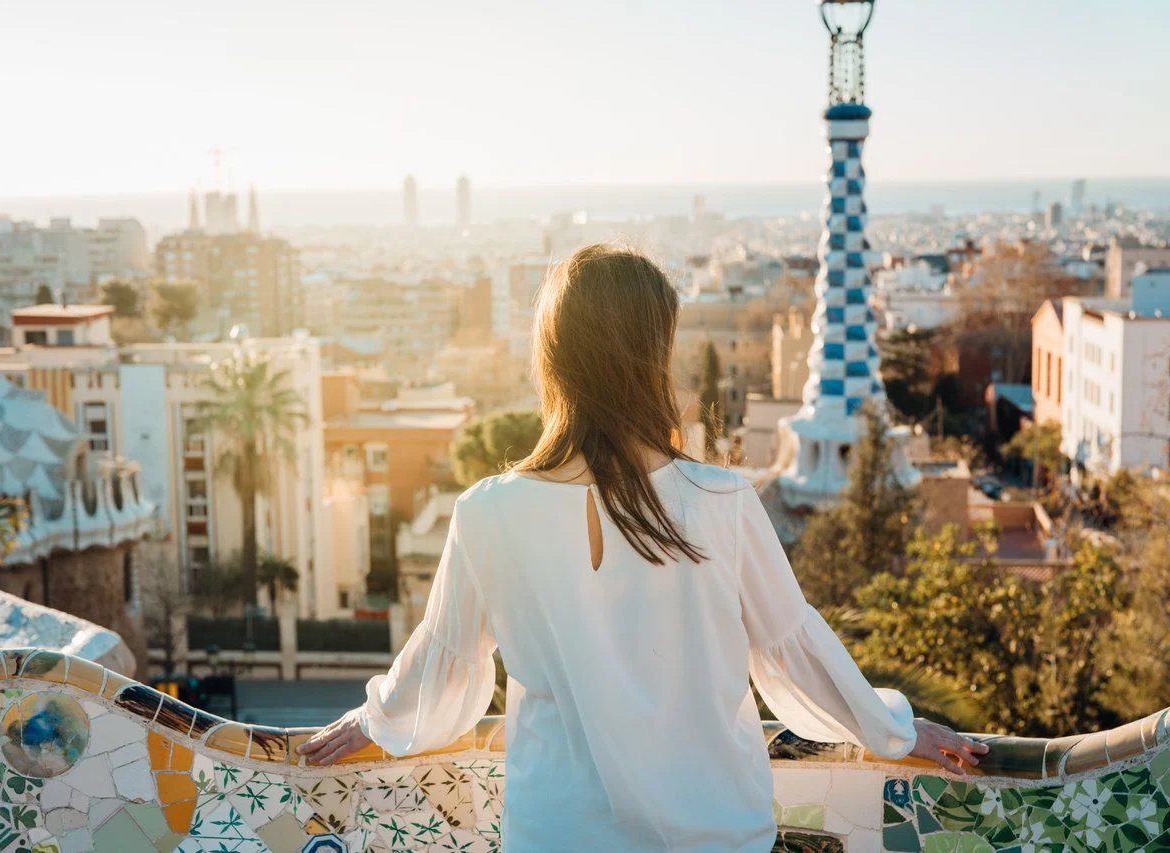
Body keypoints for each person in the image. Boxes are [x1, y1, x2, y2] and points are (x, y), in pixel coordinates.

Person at [297, 244, 987, 851]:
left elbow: (443, 666)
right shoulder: (721, 499)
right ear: (653, 355)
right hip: (714, 832)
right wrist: (893, 731)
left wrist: (373, 719)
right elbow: (790, 652)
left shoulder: (488, 512)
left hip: (555, 834)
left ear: (555, 358)